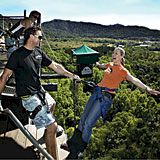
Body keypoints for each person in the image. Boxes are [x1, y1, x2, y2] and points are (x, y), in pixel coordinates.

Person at [61, 47, 160, 159]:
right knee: (83, 118)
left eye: (116, 53)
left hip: (105, 97)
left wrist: (147, 89)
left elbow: (134, 80)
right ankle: (72, 144)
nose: (114, 54)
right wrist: (88, 57)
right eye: (113, 53)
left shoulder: (123, 71)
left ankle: (77, 151)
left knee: (88, 123)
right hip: (96, 92)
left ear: (122, 57)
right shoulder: (109, 64)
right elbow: (99, 65)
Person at [0, 26, 80, 160]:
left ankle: (47, 135)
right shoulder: (17, 55)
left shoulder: (38, 53)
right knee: (52, 126)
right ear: (31, 37)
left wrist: (71, 75)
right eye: (40, 36)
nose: (41, 39)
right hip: (28, 96)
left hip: (39, 91)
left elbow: (55, 66)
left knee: (52, 103)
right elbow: (4, 77)